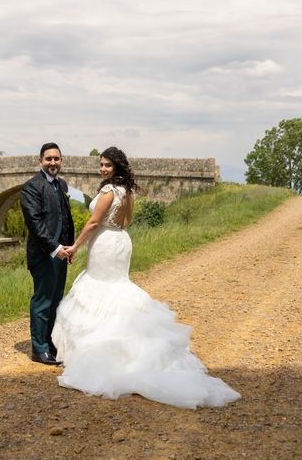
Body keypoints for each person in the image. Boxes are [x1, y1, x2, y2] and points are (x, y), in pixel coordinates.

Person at [51, 147, 240, 408]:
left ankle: (103, 346)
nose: (103, 169)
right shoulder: (126, 191)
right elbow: (126, 221)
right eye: (102, 164)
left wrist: (74, 246)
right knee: (118, 287)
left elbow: (94, 222)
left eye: (107, 165)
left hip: (105, 242)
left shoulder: (108, 191)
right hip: (121, 240)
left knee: (101, 288)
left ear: (117, 166)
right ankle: (125, 336)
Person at [21, 143, 75, 365]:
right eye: (49, 159)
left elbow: (65, 218)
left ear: (61, 160)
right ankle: (39, 348)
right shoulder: (31, 187)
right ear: (40, 160)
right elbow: (35, 223)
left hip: (61, 253)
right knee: (43, 301)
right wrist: (55, 248)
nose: (53, 163)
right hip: (45, 254)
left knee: (55, 300)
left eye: (57, 159)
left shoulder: (61, 184)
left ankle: (51, 343)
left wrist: (69, 247)